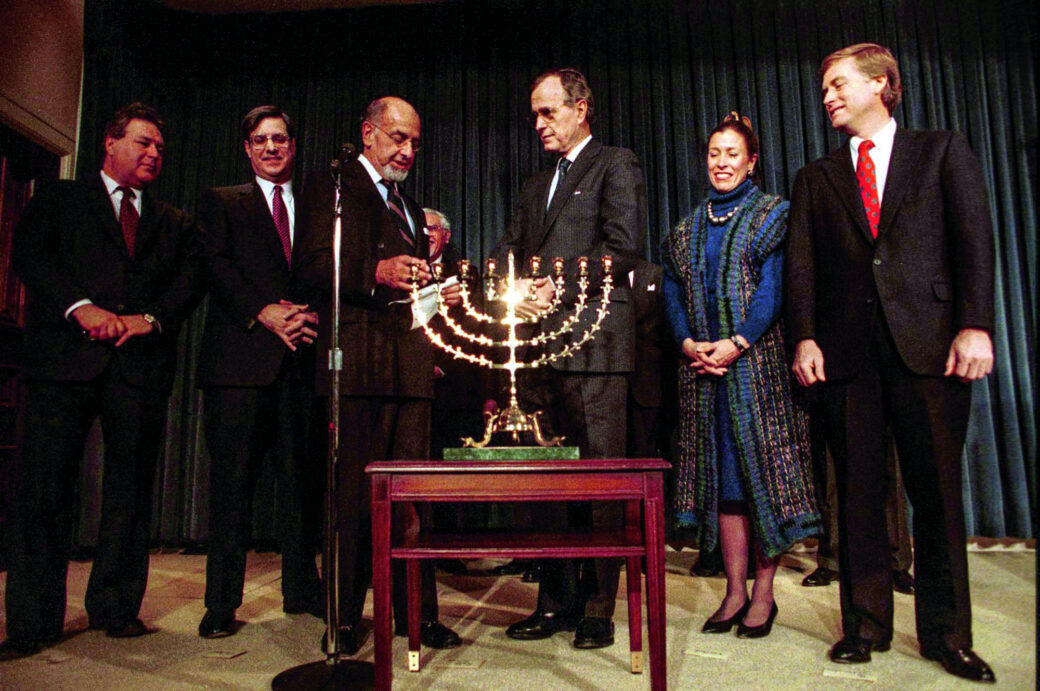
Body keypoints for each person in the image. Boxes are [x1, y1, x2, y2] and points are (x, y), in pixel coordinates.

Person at [785, 43, 996, 682]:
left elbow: (974, 243)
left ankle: (947, 635)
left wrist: (975, 325)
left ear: (881, 84)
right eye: (824, 88)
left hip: (930, 348)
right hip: (848, 357)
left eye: (838, 84)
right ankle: (865, 626)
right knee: (857, 495)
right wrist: (805, 338)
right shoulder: (816, 177)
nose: (827, 96)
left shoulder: (941, 151)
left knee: (937, 495)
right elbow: (802, 266)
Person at [2, 103, 203, 657]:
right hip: (63, 363)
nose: (154, 153)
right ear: (110, 144)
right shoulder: (60, 199)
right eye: (143, 142)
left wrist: (150, 319)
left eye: (159, 147)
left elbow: (189, 282)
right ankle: (33, 621)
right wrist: (80, 307)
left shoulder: (173, 221)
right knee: (44, 491)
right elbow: (31, 257)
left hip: (138, 370)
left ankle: (116, 607)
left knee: (130, 493)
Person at [294, 97, 462, 654]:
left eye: (414, 142)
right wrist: (375, 272)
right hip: (357, 364)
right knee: (351, 501)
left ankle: (417, 614)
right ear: (367, 134)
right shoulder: (330, 187)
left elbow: (412, 285)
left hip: (411, 368)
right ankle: (342, 619)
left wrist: (436, 292)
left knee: (414, 498)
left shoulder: (409, 205)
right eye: (397, 137)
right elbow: (310, 265)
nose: (407, 150)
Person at [492, 68, 645, 650]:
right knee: (545, 481)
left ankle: (598, 609)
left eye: (548, 111)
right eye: (534, 114)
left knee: (601, 481)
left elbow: (623, 245)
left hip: (594, 347)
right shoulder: (537, 185)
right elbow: (509, 247)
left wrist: (558, 283)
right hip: (537, 351)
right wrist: (506, 282)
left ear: (581, 108)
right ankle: (554, 601)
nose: (539, 123)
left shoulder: (615, 164)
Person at [662, 113, 820, 639]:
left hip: (758, 373)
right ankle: (734, 590)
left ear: (751, 162)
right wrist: (688, 343)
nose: (722, 163)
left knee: (760, 483)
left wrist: (738, 341)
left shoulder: (774, 215)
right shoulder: (686, 229)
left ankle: (764, 594)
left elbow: (775, 289)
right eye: (714, 154)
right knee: (726, 486)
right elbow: (673, 295)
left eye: (732, 154)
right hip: (703, 374)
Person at [194, 105, 322, 639]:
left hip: (301, 362)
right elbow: (214, 266)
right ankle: (221, 604)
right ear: (247, 148)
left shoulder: (316, 206)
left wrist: (309, 314)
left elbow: (325, 270)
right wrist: (262, 312)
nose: (272, 148)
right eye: (261, 140)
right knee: (232, 490)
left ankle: (302, 590)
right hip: (238, 367)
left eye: (280, 139)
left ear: (293, 145)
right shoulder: (222, 200)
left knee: (302, 488)